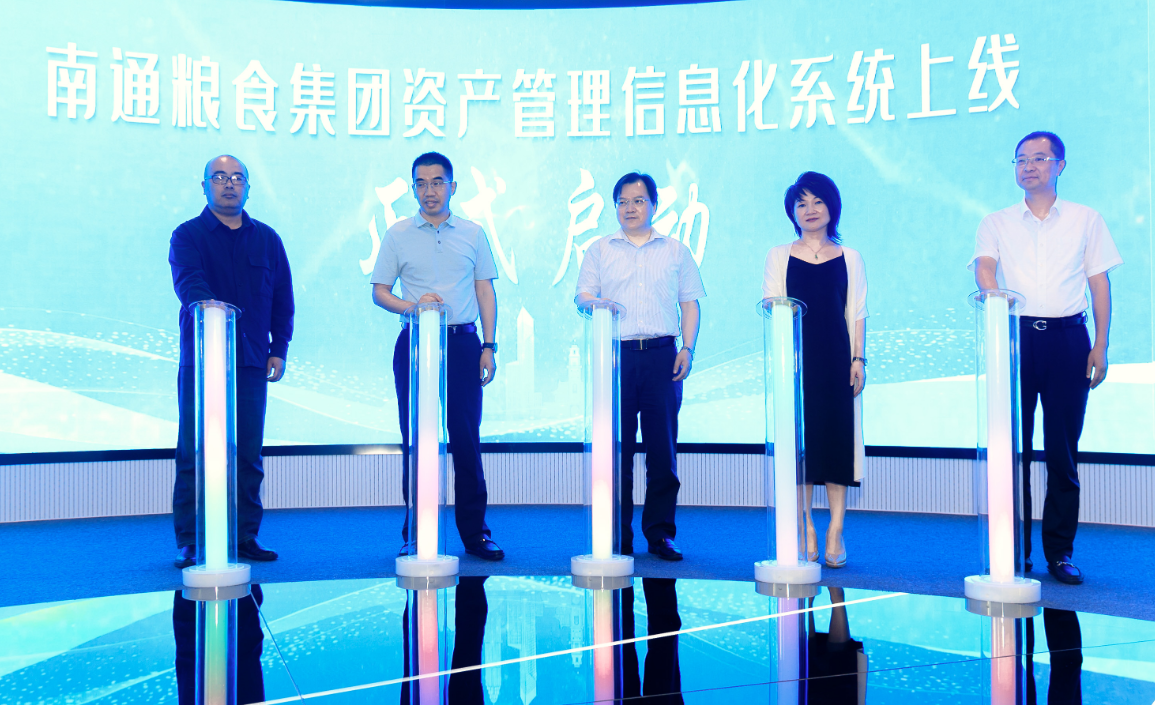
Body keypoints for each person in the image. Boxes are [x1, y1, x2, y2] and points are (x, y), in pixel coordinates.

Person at [971, 131, 1122, 585]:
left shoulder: (1086, 219)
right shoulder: (995, 222)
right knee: (1012, 452)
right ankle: (1013, 551)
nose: (1029, 166)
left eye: (1039, 158)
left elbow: (1099, 283)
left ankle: (1059, 553)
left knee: (1062, 453)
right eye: (1021, 159)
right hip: (1014, 339)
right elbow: (984, 267)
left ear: (1060, 165)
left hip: (1068, 340)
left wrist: (1101, 344)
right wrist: (993, 298)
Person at [371, 152, 504, 561]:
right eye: (421, 183)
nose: (429, 190)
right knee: (418, 440)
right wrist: (412, 307)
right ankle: (416, 533)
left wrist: (489, 345)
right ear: (414, 188)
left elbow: (485, 290)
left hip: (463, 345)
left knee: (466, 440)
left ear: (452, 186)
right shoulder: (397, 234)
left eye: (437, 182)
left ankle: (475, 534)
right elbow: (380, 292)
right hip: (415, 343)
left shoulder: (473, 233)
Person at [169, 155, 294, 568]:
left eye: (237, 178)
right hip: (202, 361)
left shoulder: (268, 239)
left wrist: (279, 347)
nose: (229, 184)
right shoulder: (187, 235)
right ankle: (191, 539)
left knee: (248, 454)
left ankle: (244, 536)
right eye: (220, 177)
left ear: (247, 188)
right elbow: (189, 283)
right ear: (204, 185)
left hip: (252, 361)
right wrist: (212, 309)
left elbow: (282, 298)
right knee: (195, 451)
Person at [575, 172, 706, 561]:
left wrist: (688, 348)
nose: (629, 208)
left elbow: (690, 304)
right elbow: (582, 296)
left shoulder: (675, 251)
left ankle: (660, 534)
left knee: (662, 451)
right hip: (616, 357)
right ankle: (618, 535)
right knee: (617, 451)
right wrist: (596, 303)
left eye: (638, 200)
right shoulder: (600, 249)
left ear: (654, 205)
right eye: (622, 202)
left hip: (663, 356)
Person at [762, 172, 868, 569]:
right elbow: (771, 304)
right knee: (801, 450)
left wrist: (858, 359)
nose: (810, 210)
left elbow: (857, 313)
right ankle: (805, 526)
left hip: (837, 362)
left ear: (831, 207)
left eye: (817, 201)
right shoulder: (779, 255)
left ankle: (836, 529)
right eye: (801, 203)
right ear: (792, 211)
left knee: (837, 446)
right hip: (795, 366)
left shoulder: (850, 257)